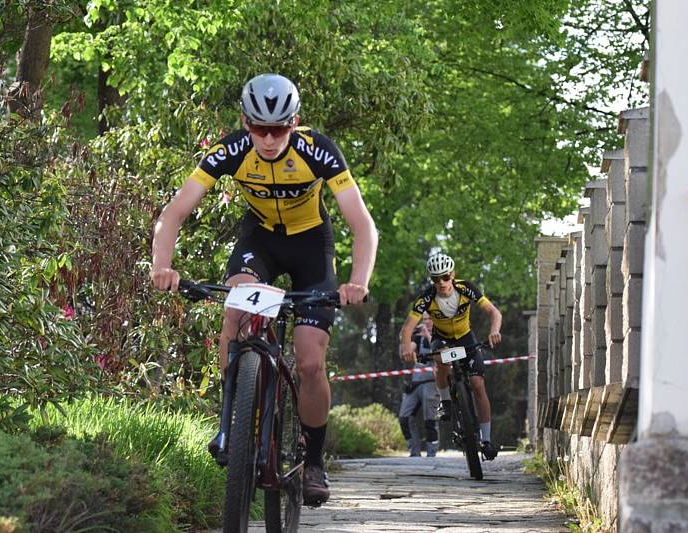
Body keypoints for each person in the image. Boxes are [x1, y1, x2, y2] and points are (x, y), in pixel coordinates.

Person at [150, 73, 378, 506]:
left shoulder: (318, 150)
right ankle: (232, 423)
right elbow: (175, 211)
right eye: (259, 129)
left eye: (279, 129)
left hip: (312, 246)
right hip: (260, 242)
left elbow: (362, 224)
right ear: (245, 122)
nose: (269, 139)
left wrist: (358, 282)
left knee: (310, 361)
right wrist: (162, 266)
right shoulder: (231, 150)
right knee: (235, 314)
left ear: (295, 123)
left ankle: (313, 461)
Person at [399, 252, 502, 461]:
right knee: (441, 359)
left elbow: (494, 312)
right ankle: (445, 402)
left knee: (478, 384)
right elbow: (407, 328)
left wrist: (494, 330)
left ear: (452, 275)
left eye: (445, 277)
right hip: (442, 338)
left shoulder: (466, 288)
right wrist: (406, 347)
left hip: (465, 337)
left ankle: (487, 440)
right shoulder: (426, 298)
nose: (442, 282)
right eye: (436, 279)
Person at [398, 315, 440, 457]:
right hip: (415, 382)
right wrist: (405, 337)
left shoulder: (440, 335)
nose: (426, 321)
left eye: (429, 318)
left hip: (432, 382)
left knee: (430, 419)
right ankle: (414, 452)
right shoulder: (419, 337)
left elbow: (439, 352)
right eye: (425, 319)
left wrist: (428, 334)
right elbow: (408, 353)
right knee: (404, 417)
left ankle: (431, 453)